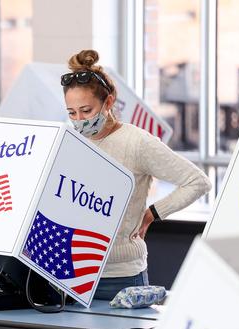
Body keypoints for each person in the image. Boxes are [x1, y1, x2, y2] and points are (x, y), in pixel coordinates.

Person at [61, 49, 211, 300]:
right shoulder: (71, 141)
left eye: (86, 111)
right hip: (72, 274)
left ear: (108, 103)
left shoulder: (136, 142)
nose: (79, 121)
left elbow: (198, 182)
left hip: (121, 277)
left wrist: (152, 213)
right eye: (72, 113)